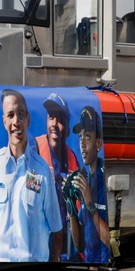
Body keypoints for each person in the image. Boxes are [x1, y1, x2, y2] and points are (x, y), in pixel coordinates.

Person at [0, 89, 63, 262]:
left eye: (21, 114)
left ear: (28, 119)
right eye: (11, 115)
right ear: (4, 121)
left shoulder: (42, 171)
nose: (16, 121)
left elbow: (57, 233)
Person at [34, 93, 80, 261]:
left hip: (65, 245)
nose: (54, 124)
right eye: (51, 117)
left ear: (67, 128)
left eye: (59, 119)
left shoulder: (73, 159)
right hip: (39, 245)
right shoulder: (35, 150)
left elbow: (79, 211)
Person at [64, 105, 113, 263]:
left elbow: (110, 240)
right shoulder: (86, 178)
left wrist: (89, 201)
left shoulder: (104, 178)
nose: (82, 144)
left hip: (103, 264)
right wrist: (70, 204)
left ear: (98, 143)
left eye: (88, 137)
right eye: (80, 137)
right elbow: (79, 245)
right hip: (88, 263)